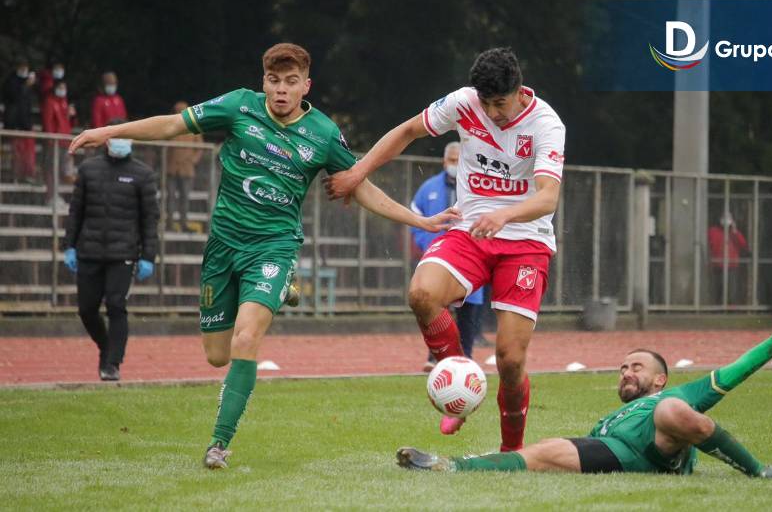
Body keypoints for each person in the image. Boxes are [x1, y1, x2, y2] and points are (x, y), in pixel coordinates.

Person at [67, 42, 459, 469]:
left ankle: (219, 443)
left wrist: (417, 221)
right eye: (274, 81)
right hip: (223, 246)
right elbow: (172, 126)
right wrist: (109, 132)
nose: (281, 90)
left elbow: (358, 185)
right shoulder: (238, 106)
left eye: (291, 82)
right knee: (217, 355)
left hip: (274, 246)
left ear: (306, 86)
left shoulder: (324, 134)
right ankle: (281, 291)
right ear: (264, 83)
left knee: (246, 339)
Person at [325, 47, 566, 451]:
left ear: (519, 89)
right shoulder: (463, 103)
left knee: (509, 359)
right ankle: (458, 381)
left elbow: (548, 199)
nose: (491, 112)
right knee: (421, 293)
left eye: (500, 103)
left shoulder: (546, 124)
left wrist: (505, 216)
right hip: (471, 230)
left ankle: (512, 451)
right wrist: (356, 172)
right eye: (485, 103)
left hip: (525, 241)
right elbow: (405, 132)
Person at [396, 299, 772, 479]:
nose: (626, 372)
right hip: (621, 451)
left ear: (660, 378)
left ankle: (759, 472)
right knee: (546, 450)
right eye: (623, 367)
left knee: (671, 414)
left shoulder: (677, 395)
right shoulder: (609, 420)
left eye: (636, 367)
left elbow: (736, 370)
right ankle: (450, 466)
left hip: (664, 445)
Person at [62, 122, 159, 381]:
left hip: (123, 254)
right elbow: (76, 211)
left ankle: (112, 363)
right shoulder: (88, 170)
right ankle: (106, 347)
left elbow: (150, 219)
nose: (121, 142)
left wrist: (148, 256)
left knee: (116, 306)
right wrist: (69, 245)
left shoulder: (143, 175)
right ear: (106, 140)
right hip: (89, 251)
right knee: (86, 309)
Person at [412, 141, 486, 370]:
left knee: (468, 312)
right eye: (451, 160)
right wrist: (430, 246)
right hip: (438, 259)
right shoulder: (428, 187)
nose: (454, 165)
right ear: (444, 161)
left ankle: (467, 360)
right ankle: (435, 357)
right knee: (433, 305)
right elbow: (416, 220)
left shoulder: (479, 187)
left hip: (470, 259)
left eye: (458, 160)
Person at [165, 101, 205, 231]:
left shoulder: (194, 128)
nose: (179, 113)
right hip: (171, 168)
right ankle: (169, 223)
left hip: (187, 169)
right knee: (170, 197)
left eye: (182, 111)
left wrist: (193, 160)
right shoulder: (169, 126)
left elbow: (200, 148)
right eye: (177, 111)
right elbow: (162, 146)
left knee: (184, 198)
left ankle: (183, 223)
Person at [41, 79, 77, 207]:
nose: (63, 90)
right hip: (54, 143)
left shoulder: (65, 103)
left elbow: (69, 124)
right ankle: (51, 197)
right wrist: (51, 140)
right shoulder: (49, 102)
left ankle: (59, 196)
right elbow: (48, 122)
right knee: (52, 170)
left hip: (65, 141)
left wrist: (72, 116)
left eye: (64, 87)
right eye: (60, 87)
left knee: (64, 171)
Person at [2, 59, 37, 182]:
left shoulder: (27, 85)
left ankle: (25, 174)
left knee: (26, 152)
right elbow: (13, 98)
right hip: (14, 124)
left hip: (25, 124)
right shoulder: (11, 82)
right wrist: (25, 86)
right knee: (15, 152)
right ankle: (16, 176)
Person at [707, 211, 749, 305]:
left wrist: (735, 231)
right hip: (717, 265)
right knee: (717, 289)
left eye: (728, 217)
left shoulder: (734, 233)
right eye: (724, 217)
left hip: (731, 265)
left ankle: (731, 308)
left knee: (731, 290)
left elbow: (743, 245)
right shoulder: (713, 231)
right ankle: (717, 308)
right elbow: (709, 244)